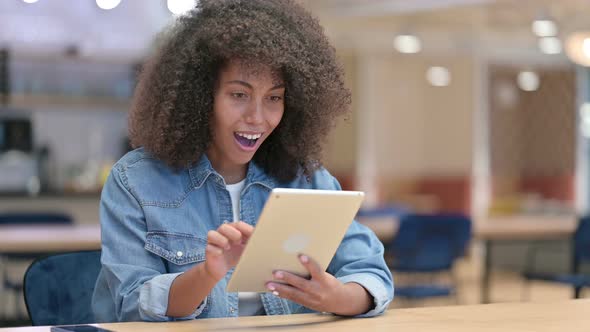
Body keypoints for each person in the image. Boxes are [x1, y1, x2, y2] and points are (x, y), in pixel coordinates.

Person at [92, 0, 394, 322]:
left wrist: (338, 296)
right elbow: (133, 304)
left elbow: (371, 273)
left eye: (274, 98)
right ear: (199, 96)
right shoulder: (135, 181)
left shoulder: (307, 178)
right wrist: (207, 274)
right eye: (239, 95)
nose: (257, 117)